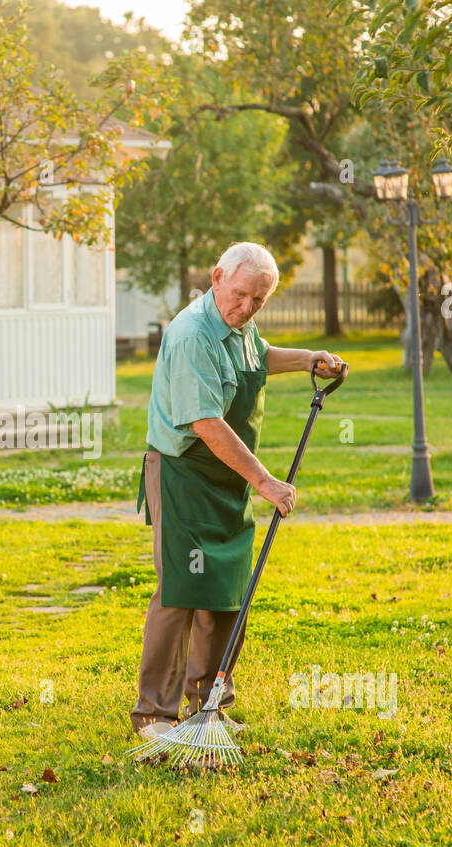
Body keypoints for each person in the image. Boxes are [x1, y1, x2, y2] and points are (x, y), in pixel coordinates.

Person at [132, 241, 346, 739]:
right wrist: (265, 481)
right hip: (184, 470)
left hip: (227, 474)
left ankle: (210, 703)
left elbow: (257, 358)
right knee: (183, 590)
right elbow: (206, 422)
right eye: (242, 295)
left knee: (226, 587)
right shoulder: (191, 335)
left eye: (259, 301)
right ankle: (154, 715)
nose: (248, 308)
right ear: (217, 277)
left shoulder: (239, 326)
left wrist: (308, 359)